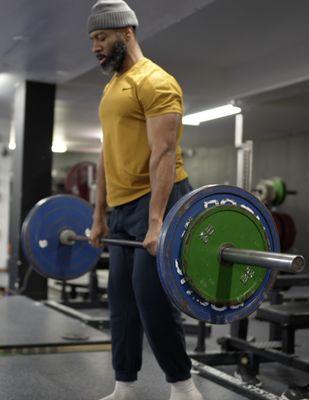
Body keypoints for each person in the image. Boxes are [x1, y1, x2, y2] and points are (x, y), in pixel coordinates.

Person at [88, 1, 204, 399]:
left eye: (101, 37)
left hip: (161, 199)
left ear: (126, 33)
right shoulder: (111, 87)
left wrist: (157, 221)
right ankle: (125, 387)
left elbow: (164, 153)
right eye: (93, 40)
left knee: (151, 299)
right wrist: (99, 215)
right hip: (122, 208)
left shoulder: (155, 81)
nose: (95, 47)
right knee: (120, 301)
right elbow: (106, 154)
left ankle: (184, 387)